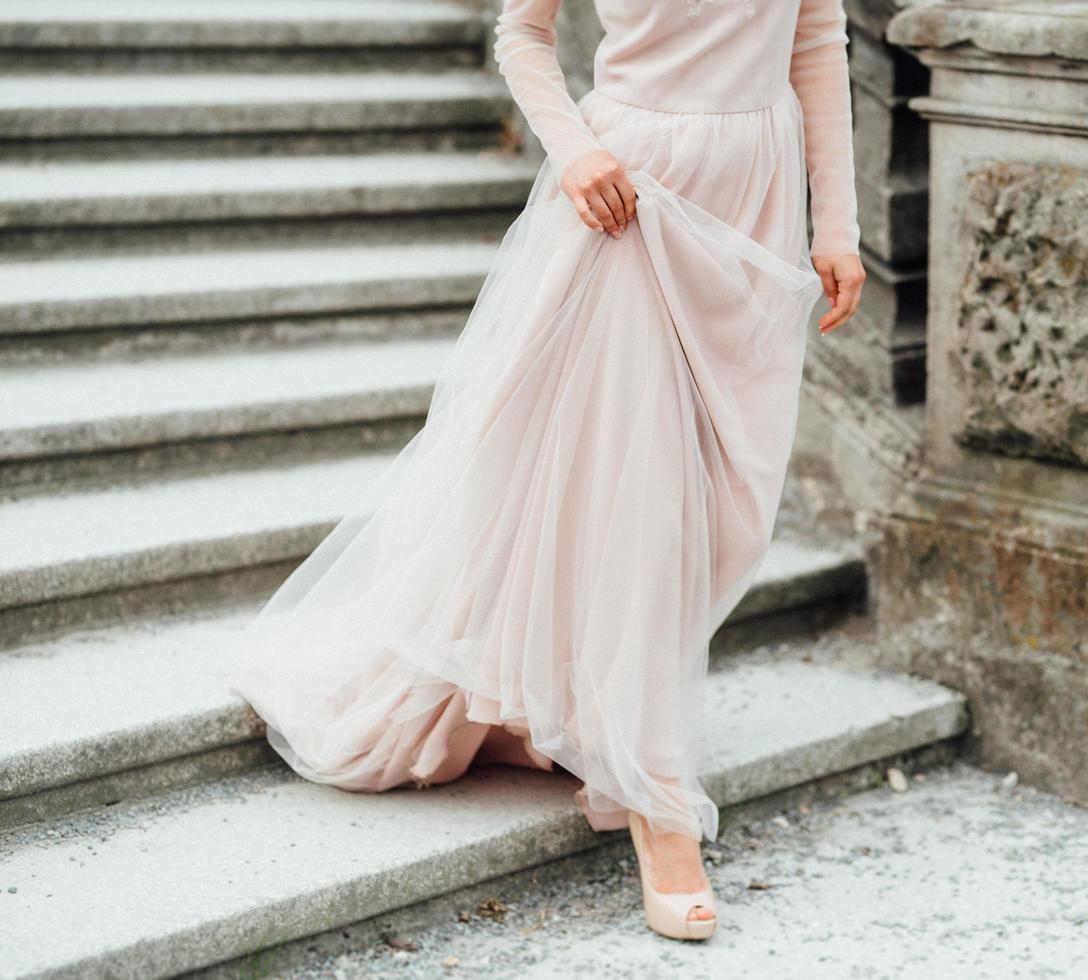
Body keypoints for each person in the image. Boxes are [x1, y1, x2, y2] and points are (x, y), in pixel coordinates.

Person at [227, 0, 865, 943]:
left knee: (735, 510)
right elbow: (520, 35)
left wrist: (838, 222)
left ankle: (582, 705)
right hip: (628, 199)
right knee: (642, 496)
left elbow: (816, 38)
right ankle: (659, 807)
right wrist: (574, 150)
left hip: (758, 203)